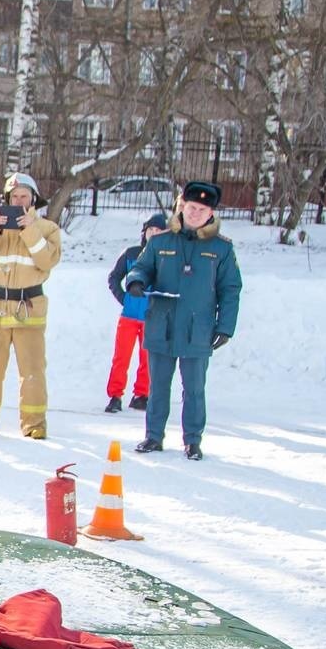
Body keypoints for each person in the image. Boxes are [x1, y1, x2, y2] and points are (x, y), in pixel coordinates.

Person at [125, 183, 242, 461]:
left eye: (201, 210)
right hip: (161, 325)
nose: (195, 213)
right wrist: (136, 282)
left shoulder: (221, 249)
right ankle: (153, 436)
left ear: (211, 213)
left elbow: (230, 289)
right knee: (158, 386)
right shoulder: (160, 242)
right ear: (181, 207)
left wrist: (225, 326)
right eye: (191, 208)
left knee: (194, 389)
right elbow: (141, 267)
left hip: (197, 330)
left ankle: (192, 441)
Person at [0, 173, 62, 439]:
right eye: (14, 196)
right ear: (6, 199)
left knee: (32, 370)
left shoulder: (47, 229)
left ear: (33, 199)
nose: (19, 200)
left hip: (28, 307)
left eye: (24, 196)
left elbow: (46, 260)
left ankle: (34, 423)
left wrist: (29, 229)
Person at [105, 213, 164, 414]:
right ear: (144, 232)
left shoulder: (166, 257)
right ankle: (115, 395)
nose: (154, 234)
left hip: (152, 317)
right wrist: (124, 298)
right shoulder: (131, 254)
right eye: (151, 230)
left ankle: (141, 395)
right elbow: (114, 278)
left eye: (158, 231)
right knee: (121, 357)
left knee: (147, 358)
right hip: (129, 316)